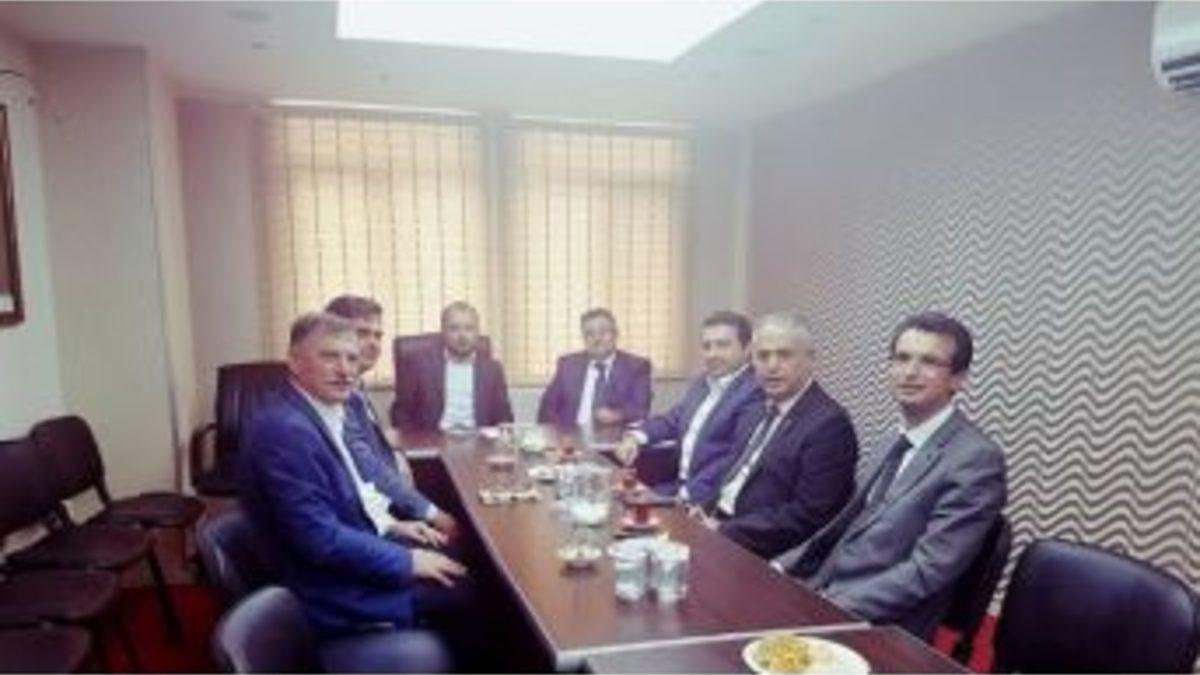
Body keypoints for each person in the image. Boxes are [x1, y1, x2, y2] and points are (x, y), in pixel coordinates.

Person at [239, 312, 468, 645]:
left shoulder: (321, 410)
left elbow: (345, 498)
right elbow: (318, 538)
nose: (346, 370)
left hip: (345, 558)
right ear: (294, 361)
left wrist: (391, 526)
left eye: (351, 358)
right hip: (327, 590)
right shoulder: (285, 430)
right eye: (330, 356)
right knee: (475, 590)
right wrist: (406, 561)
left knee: (460, 559)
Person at [775, 312, 1007, 640]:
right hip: (824, 589)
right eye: (902, 358)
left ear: (958, 379)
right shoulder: (891, 440)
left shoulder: (977, 460)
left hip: (884, 626)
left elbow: (927, 570)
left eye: (929, 361)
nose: (910, 371)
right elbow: (843, 527)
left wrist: (830, 606)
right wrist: (781, 566)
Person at [693, 311, 859, 560]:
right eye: (763, 356)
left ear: (810, 359)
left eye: (784, 355)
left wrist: (725, 531)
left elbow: (809, 515)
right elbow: (732, 475)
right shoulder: (756, 409)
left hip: (761, 551)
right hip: (717, 526)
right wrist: (704, 510)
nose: (772, 366)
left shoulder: (829, 426)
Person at [615, 310, 762, 505]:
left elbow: (733, 461)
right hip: (677, 486)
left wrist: (674, 498)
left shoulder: (755, 392)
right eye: (707, 346)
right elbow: (672, 420)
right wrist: (635, 437)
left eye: (722, 345)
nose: (712, 354)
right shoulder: (701, 382)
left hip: (708, 499)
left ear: (747, 348)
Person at [390, 301, 514, 435]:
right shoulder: (420, 366)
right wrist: (415, 441)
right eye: (454, 329)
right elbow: (401, 413)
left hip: (478, 440)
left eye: (469, 328)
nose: (462, 336)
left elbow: (504, 416)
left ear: (477, 333)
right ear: (443, 332)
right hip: (434, 440)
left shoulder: (493, 370)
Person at [537, 308, 652, 427]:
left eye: (603, 332)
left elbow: (640, 409)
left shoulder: (636, 367)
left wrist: (616, 416)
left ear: (615, 334)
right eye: (590, 334)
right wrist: (559, 433)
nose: (597, 339)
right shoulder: (568, 365)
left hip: (615, 436)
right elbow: (547, 407)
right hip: (570, 435)